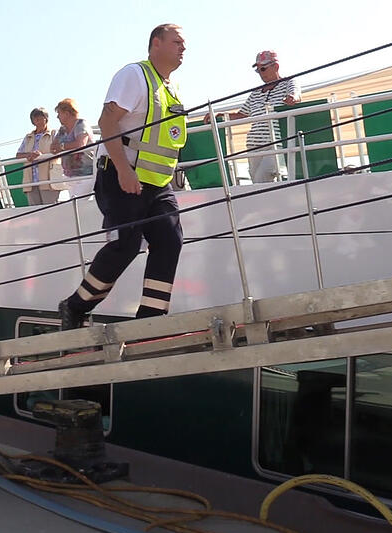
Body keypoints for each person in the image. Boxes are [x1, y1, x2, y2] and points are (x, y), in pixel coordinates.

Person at [58, 23, 187, 329]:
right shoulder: (134, 75)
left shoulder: (169, 88)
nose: (183, 48)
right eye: (177, 42)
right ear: (156, 43)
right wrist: (124, 170)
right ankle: (75, 307)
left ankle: (151, 319)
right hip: (121, 175)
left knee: (170, 240)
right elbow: (107, 121)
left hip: (156, 184)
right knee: (125, 245)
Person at [206, 50, 300, 183]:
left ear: (276, 66)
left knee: (262, 177)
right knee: (256, 181)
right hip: (253, 145)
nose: (261, 73)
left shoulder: (288, 82)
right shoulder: (255, 93)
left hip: (275, 144)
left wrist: (293, 98)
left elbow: (296, 94)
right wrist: (220, 115)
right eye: (258, 70)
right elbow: (242, 114)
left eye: (263, 68)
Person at [15, 107, 60, 206]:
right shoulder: (28, 137)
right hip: (31, 181)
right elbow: (18, 155)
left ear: (46, 118)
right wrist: (29, 155)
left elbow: (59, 151)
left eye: (40, 117)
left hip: (49, 180)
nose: (38, 120)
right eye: (35, 119)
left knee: (50, 210)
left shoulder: (54, 133)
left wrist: (41, 156)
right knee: (35, 213)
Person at [52, 98, 96, 197]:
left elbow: (80, 144)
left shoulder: (81, 124)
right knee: (75, 206)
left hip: (86, 175)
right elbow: (53, 148)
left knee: (79, 205)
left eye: (59, 113)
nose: (57, 116)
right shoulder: (62, 130)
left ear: (67, 113)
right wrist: (60, 147)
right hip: (70, 176)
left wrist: (62, 146)